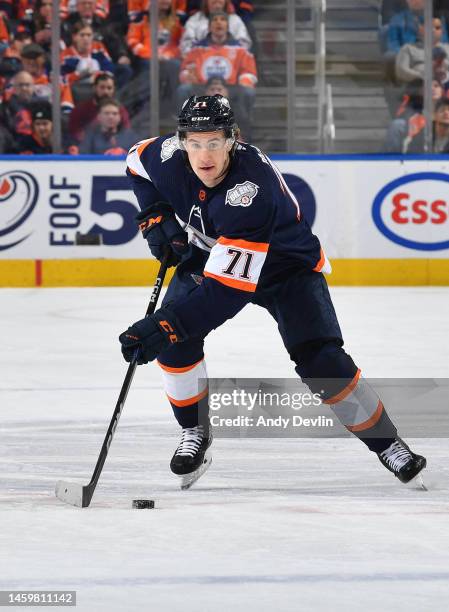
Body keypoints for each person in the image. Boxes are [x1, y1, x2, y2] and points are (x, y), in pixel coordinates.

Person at [119, 94, 427, 490]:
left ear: (233, 139)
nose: (204, 154)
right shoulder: (165, 156)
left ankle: (388, 444)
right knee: (177, 346)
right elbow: (133, 160)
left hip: (286, 267)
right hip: (213, 252)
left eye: (214, 142)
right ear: (181, 143)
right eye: (194, 143)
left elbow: (227, 292)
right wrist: (154, 214)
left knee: (321, 361)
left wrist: (164, 325)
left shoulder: (251, 191)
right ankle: (195, 432)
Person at [177, 10, 257, 137]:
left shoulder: (240, 50)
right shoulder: (196, 49)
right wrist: (189, 76)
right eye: (215, 20)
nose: (219, 23)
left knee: (248, 92)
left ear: (228, 26)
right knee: (183, 90)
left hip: (231, 88)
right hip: (202, 88)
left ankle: (242, 135)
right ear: (209, 27)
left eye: (222, 19)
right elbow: (185, 71)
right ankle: (186, 132)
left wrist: (230, 89)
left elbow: (249, 74)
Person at [68, 71, 130, 142]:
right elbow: (75, 132)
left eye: (109, 88)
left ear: (113, 90)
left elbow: (126, 131)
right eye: (102, 87)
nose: (106, 91)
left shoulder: (120, 110)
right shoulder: (80, 109)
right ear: (94, 88)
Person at [180, 0, 251, 56]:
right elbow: (186, 46)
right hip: (200, 63)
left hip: (231, 62)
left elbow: (244, 45)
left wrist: (226, 53)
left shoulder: (235, 20)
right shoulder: (194, 20)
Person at [395, 16, 449, 85]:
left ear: (442, 32)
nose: (433, 30)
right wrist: (422, 76)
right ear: (421, 29)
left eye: (437, 28)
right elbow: (401, 71)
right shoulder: (408, 48)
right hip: (417, 89)